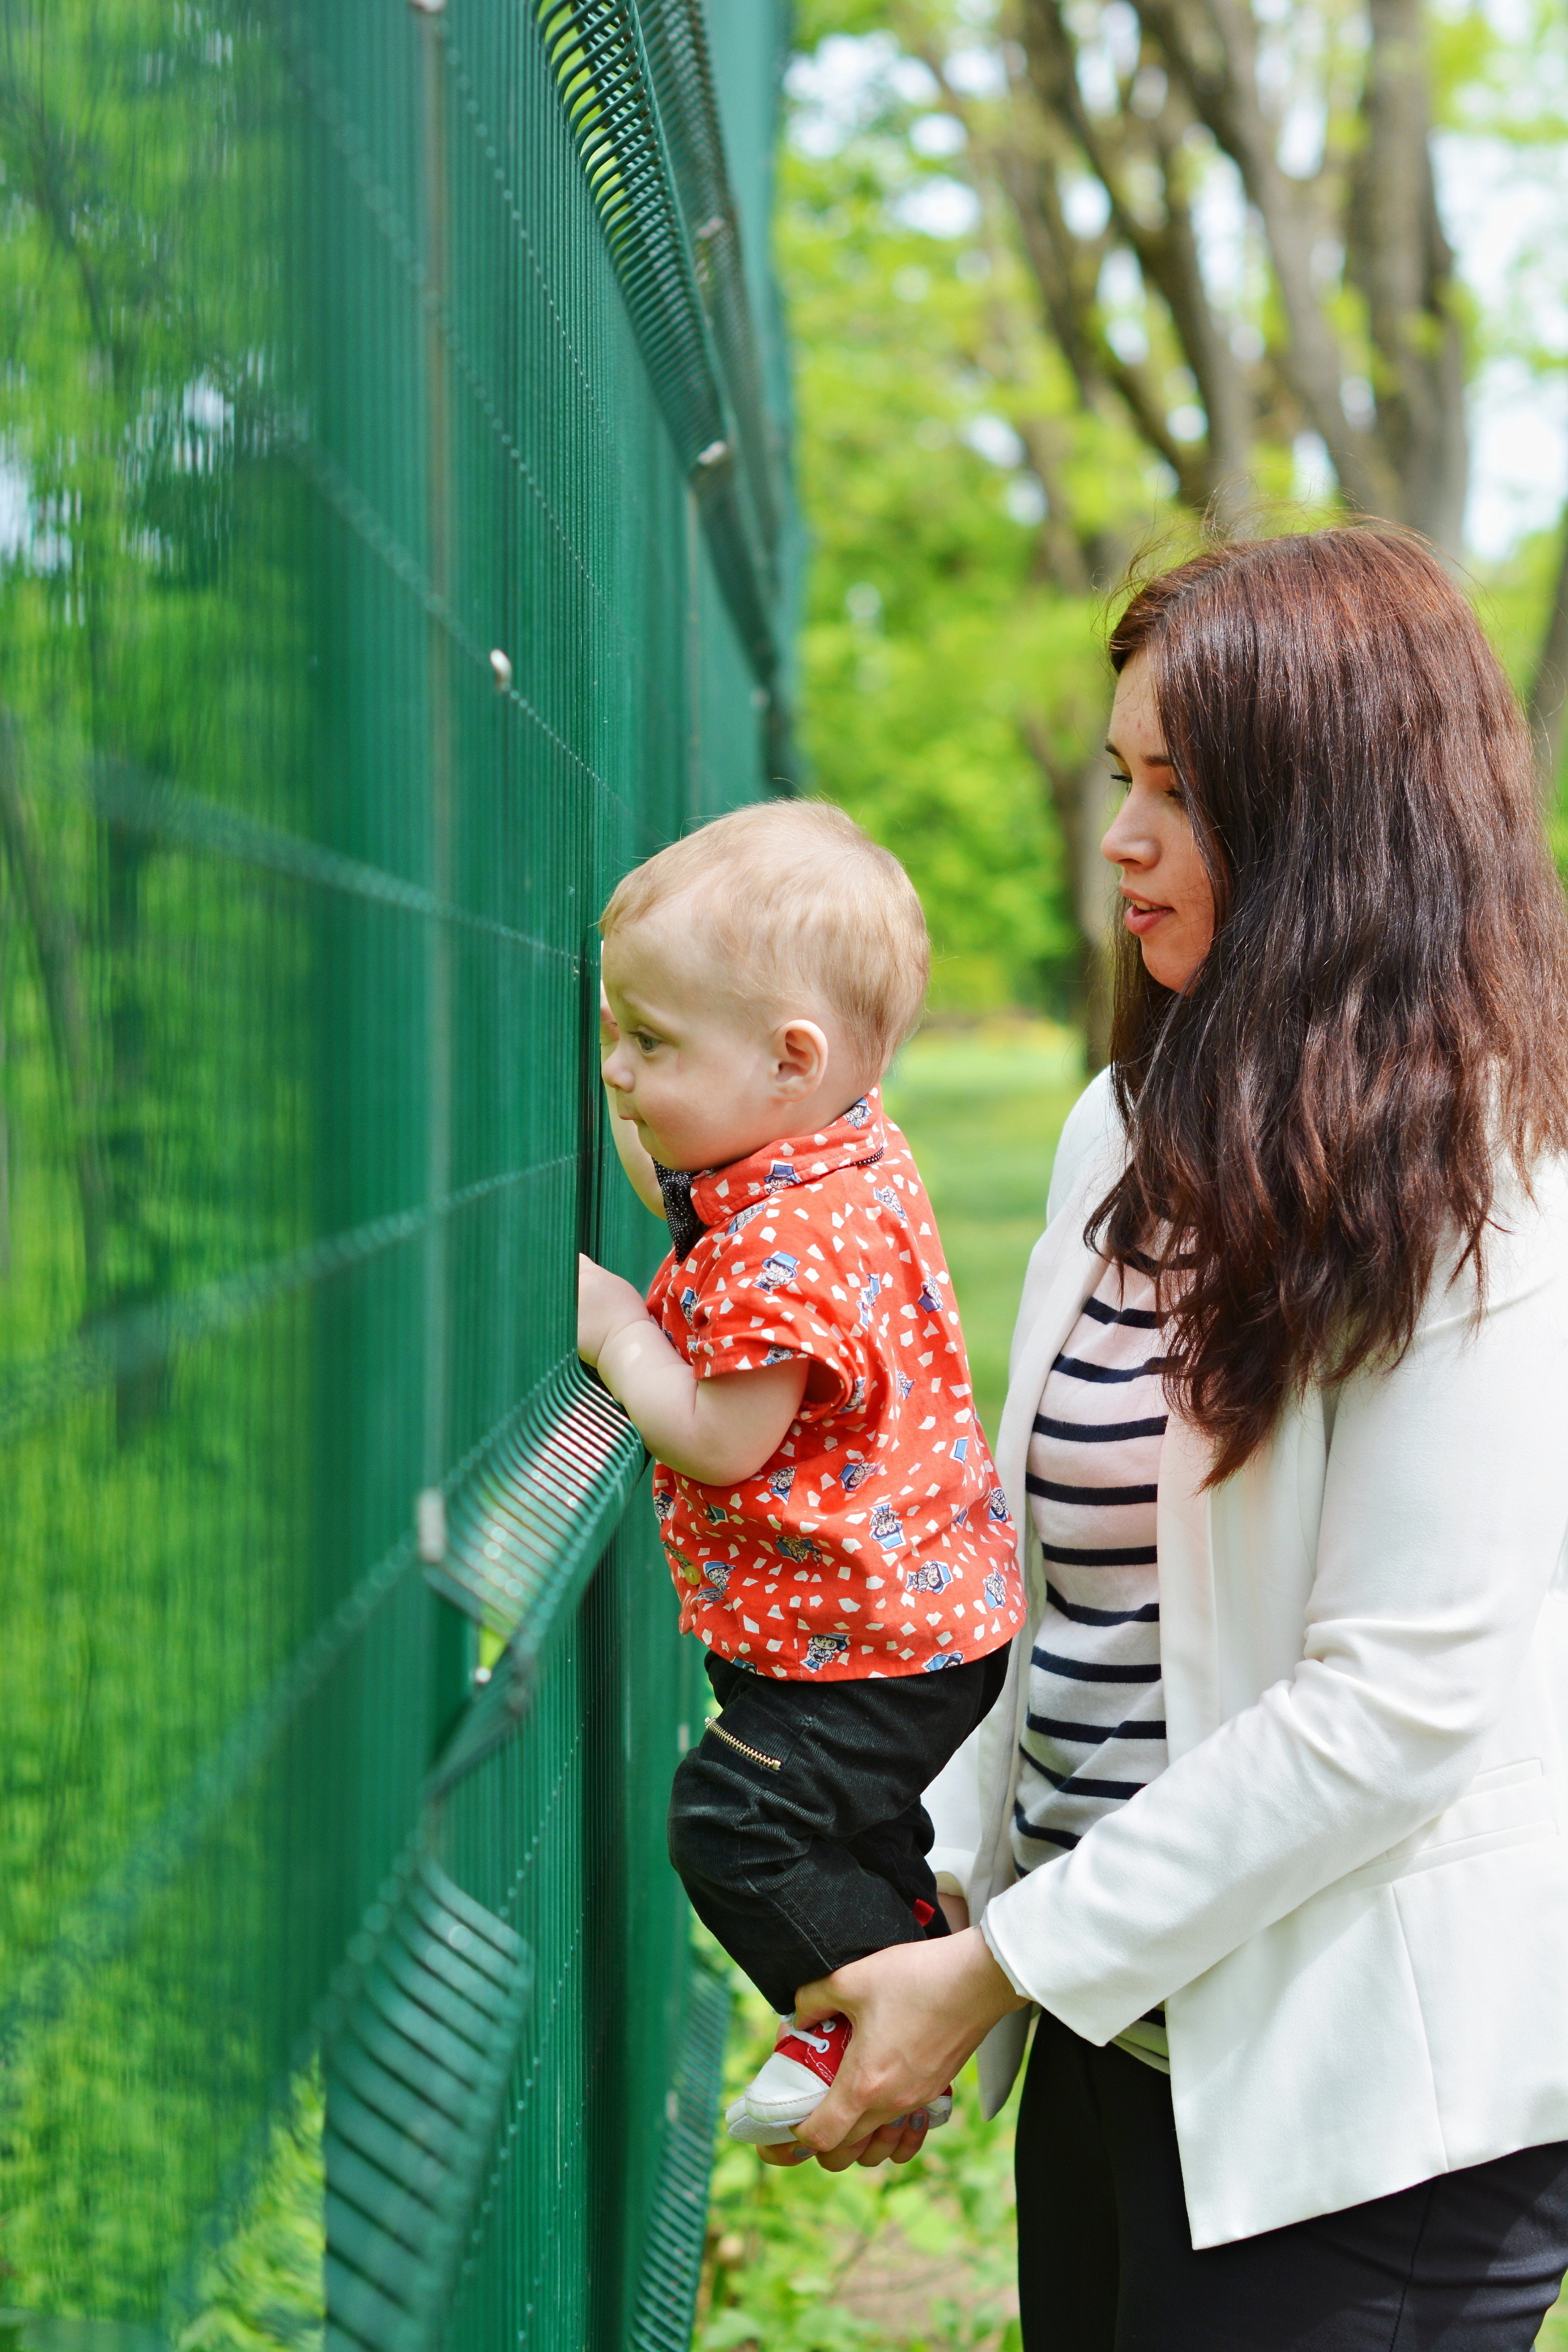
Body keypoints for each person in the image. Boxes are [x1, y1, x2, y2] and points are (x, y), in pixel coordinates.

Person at [767, 527, 1568, 2350]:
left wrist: (989, 1967)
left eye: (1182, 794)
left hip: (1370, 2104)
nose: (1119, 837)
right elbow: (1074, 1604)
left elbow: (1397, 1705)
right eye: (1121, 778)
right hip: (1121, 2033)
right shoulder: (1122, 1132)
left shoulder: (1497, 1187)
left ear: (1336, 827)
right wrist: (966, 1891)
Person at [574, 800, 1023, 2146]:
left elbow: (720, 1433)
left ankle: (858, 2013)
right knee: (846, 1834)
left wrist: (615, 1330)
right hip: (893, 1620)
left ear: (789, 1058)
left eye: (648, 1042)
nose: (615, 1070)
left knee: (732, 1822)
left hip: (869, 1646)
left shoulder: (790, 1243)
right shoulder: (830, 1149)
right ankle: (896, 1964)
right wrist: (651, 1088)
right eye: (616, 1033)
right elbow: (684, 1181)